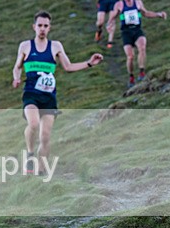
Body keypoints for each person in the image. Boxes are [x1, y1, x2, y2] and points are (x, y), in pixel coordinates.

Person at [12, 11, 103, 174]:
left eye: (45, 26)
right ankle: (30, 155)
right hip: (31, 94)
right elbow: (17, 67)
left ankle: (41, 172)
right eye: (39, 25)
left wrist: (89, 63)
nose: (42, 29)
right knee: (33, 124)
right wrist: (16, 78)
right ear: (34, 27)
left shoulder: (56, 46)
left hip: (49, 97)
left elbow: (68, 67)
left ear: (49, 28)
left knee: (45, 137)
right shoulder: (25, 46)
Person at [107, 0, 168, 87]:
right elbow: (112, 17)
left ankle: (141, 72)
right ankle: (131, 76)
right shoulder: (119, 5)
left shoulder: (138, 3)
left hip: (137, 30)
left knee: (142, 47)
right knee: (130, 56)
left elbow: (146, 13)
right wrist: (109, 24)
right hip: (126, 32)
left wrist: (159, 14)